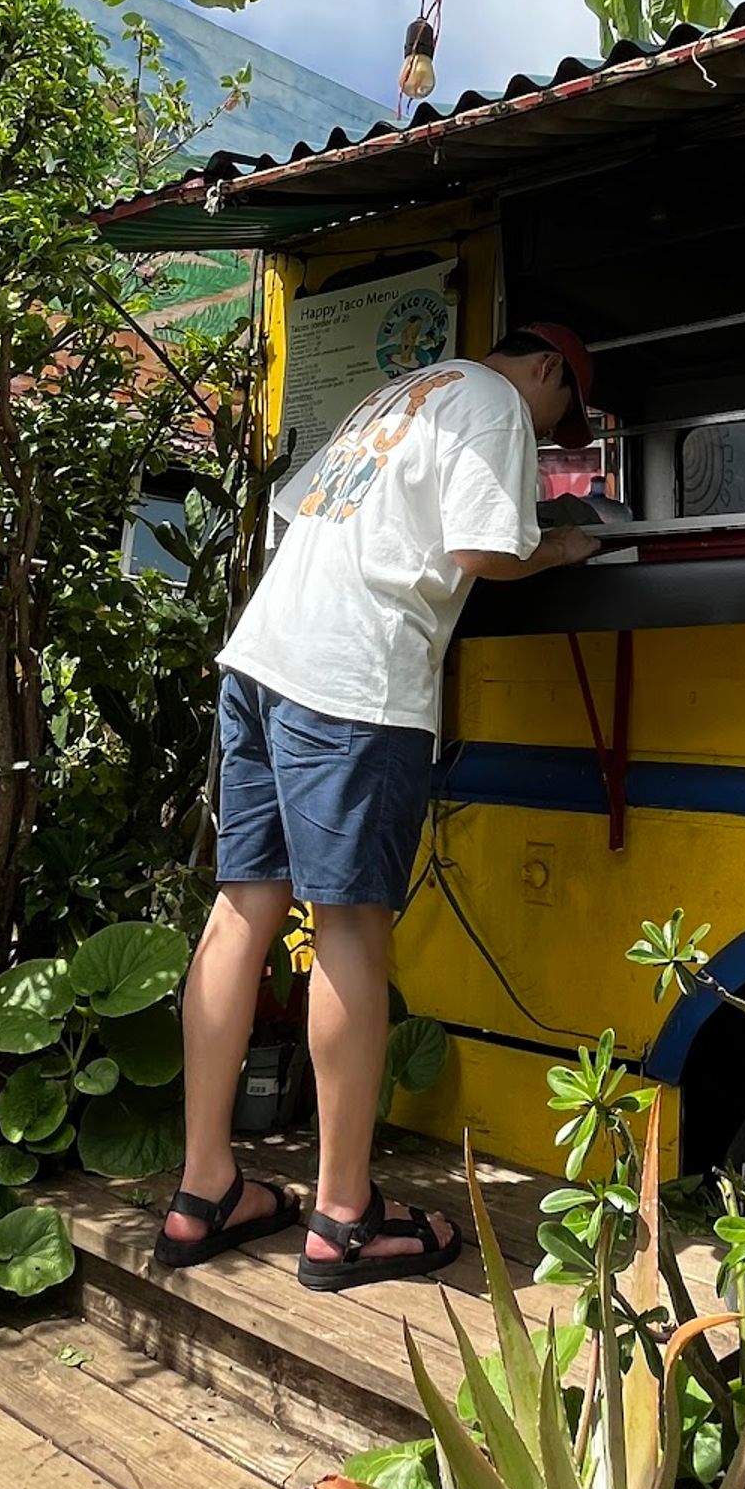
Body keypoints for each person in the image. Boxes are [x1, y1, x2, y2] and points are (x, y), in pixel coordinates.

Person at [155, 323, 600, 1292]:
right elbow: (486, 548)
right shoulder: (494, 402)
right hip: (351, 686)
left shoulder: (394, 397)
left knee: (242, 909)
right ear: (549, 372)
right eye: (565, 420)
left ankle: (206, 1189)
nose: (555, 436)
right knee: (351, 926)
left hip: (263, 660)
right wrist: (562, 546)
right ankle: (346, 1216)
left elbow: (289, 511)